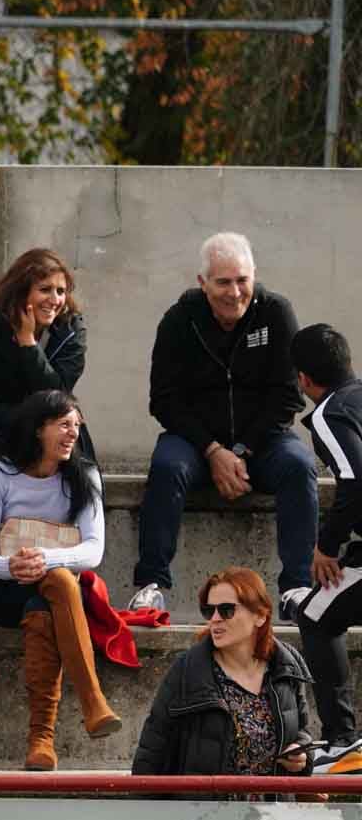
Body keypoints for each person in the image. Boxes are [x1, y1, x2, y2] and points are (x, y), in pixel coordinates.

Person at [131, 231, 314, 617]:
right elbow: (163, 400)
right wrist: (213, 451)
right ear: (202, 283)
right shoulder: (179, 320)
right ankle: (151, 585)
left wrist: (242, 451)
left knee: (300, 466)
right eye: (223, 282)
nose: (234, 292)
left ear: (254, 275)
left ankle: (297, 588)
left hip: (264, 443)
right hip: (196, 444)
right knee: (166, 467)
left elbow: (288, 397)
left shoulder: (277, 312)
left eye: (242, 280)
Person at [0, 390, 123, 770]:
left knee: (56, 592)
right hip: (9, 587)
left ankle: (41, 739)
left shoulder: (84, 476)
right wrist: (11, 567)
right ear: (39, 428)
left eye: (77, 426)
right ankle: (92, 703)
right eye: (64, 425)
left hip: (57, 589)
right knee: (57, 590)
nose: (73, 434)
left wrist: (45, 560)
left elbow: (93, 551)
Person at [133, 567, 314, 780]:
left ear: (260, 616)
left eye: (227, 610)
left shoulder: (284, 667)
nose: (215, 619)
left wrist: (302, 756)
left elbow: (302, 733)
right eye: (209, 611)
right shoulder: (188, 670)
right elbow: (152, 752)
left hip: (272, 810)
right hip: (205, 810)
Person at [289, 323, 362, 774]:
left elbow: (355, 481)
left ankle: (345, 741)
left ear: (303, 379)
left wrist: (327, 546)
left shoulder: (329, 413)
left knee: (315, 615)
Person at [0, 247, 92, 482]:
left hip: (57, 430)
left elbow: (58, 393)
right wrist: (33, 422)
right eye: (45, 290)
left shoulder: (71, 331)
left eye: (61, 291)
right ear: (20, 291)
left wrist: (28, 345)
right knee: (12, 463)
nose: (55, 300)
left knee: (84, 475)